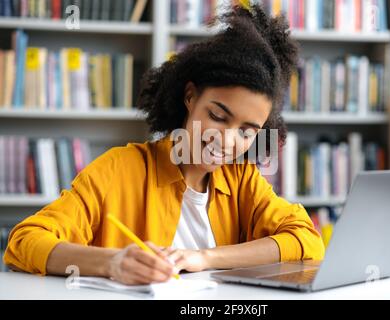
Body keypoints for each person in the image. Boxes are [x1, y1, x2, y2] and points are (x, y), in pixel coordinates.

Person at [4, 4, 324, 285]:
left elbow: (307, 239)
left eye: (247, 131)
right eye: (217, 115)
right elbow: (24, 242)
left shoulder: (241, 181)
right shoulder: (120, 169)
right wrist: (111, 263)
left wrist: (205, 258)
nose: (226, 140)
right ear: (189, 97)